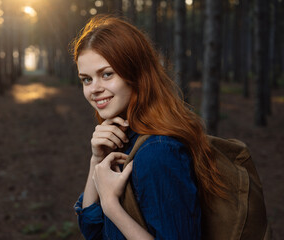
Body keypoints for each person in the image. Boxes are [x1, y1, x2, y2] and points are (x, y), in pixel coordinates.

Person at [72, 15, 226, 240]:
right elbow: (93, 232)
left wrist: (111, 205)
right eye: (86, 79)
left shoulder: (158, 152)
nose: (94, 89)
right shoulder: (126, 140)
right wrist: (96, 160)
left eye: (106, 74)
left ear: (135, 74)